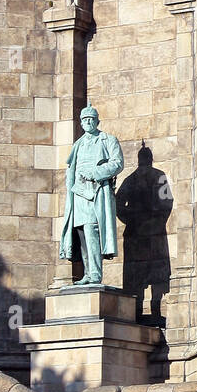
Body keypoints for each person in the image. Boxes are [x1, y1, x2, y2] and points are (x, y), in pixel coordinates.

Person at [59, 106, 124, 284]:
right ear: (81, 123)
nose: (88, 122)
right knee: (80, 232)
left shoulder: (108, 140)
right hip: (78, 194)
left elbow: (117, 163)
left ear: (97, 121)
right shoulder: (78, 144)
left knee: (91, 230)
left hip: (97, 193)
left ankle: (95, 274)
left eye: (91, 119)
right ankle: (88, 273)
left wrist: (95, 172)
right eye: (85, 119)